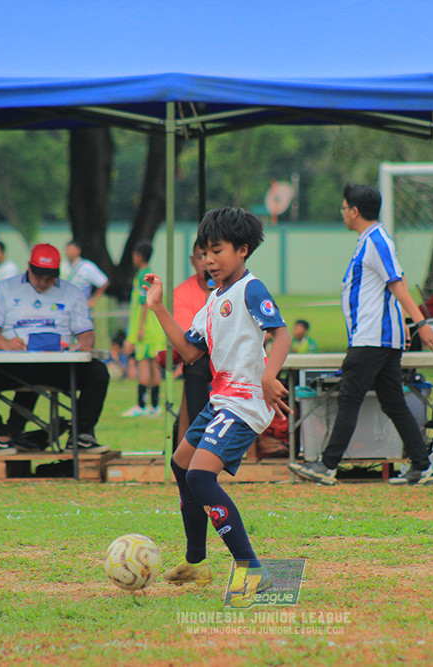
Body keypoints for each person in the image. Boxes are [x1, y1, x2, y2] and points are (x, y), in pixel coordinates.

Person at [143, 207, 291, 589]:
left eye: (217, 251)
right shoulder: (213, 300)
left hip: (244, 402)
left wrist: (269, 374)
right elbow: (190, 353)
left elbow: (282, 335)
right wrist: (158, 308)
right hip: (221, 400)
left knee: (200, 477)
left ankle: (251, 568)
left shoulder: (250, 288)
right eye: (203, 253)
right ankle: (196, 563)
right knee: (180, 465)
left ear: (242, 250)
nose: (208, 260)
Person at [288, 184, 433, 487]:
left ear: (354, 211)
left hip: (372, 338)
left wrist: (421, 322)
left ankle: (327, 465)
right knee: (393, 403)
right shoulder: (371, 241)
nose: (342, 213)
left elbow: (398, 284)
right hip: (378, 338)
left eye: (344, 208)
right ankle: (422, 466)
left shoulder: (376, 241)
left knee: (349, 398)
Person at [0, 243, 110, 455]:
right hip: (14, 365)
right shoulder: (5, 289)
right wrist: (5, 344)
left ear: (58, 273)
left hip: (58, 366)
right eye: (38, 276)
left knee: (98, 372)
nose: (42, 283)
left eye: (49, 278)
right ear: (29, 267)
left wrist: (84, 343)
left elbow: (86, 332)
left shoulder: (72, 293)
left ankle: (81, 435)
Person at [121, 242, 166, 417]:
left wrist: (139, 329)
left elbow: (144, 303)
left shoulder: (142, 276)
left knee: (144, 365)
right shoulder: (152, 274)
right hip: (155, 329)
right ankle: (154, 406)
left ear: (139, 256)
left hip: (146, 329)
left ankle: (141, 406)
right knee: (154, 366)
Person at [173, 241, 214, 430]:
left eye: (214, 254)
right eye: (201, 256)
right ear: (192, 260)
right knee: (195, 366)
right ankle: (199, 432)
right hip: (204, 357)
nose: (207, 262)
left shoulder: (241, 286)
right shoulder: (181, 294)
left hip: (237, 358)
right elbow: (191, 346)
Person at [63, 239, 109, 309]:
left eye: (71, 250)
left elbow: (103, 282)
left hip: (80, 306)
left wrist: (93, 300)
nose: (68, 252)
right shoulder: (63, 266)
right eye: (67, 250)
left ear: (78, 250)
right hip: (65, 304)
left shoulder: (87, 267)